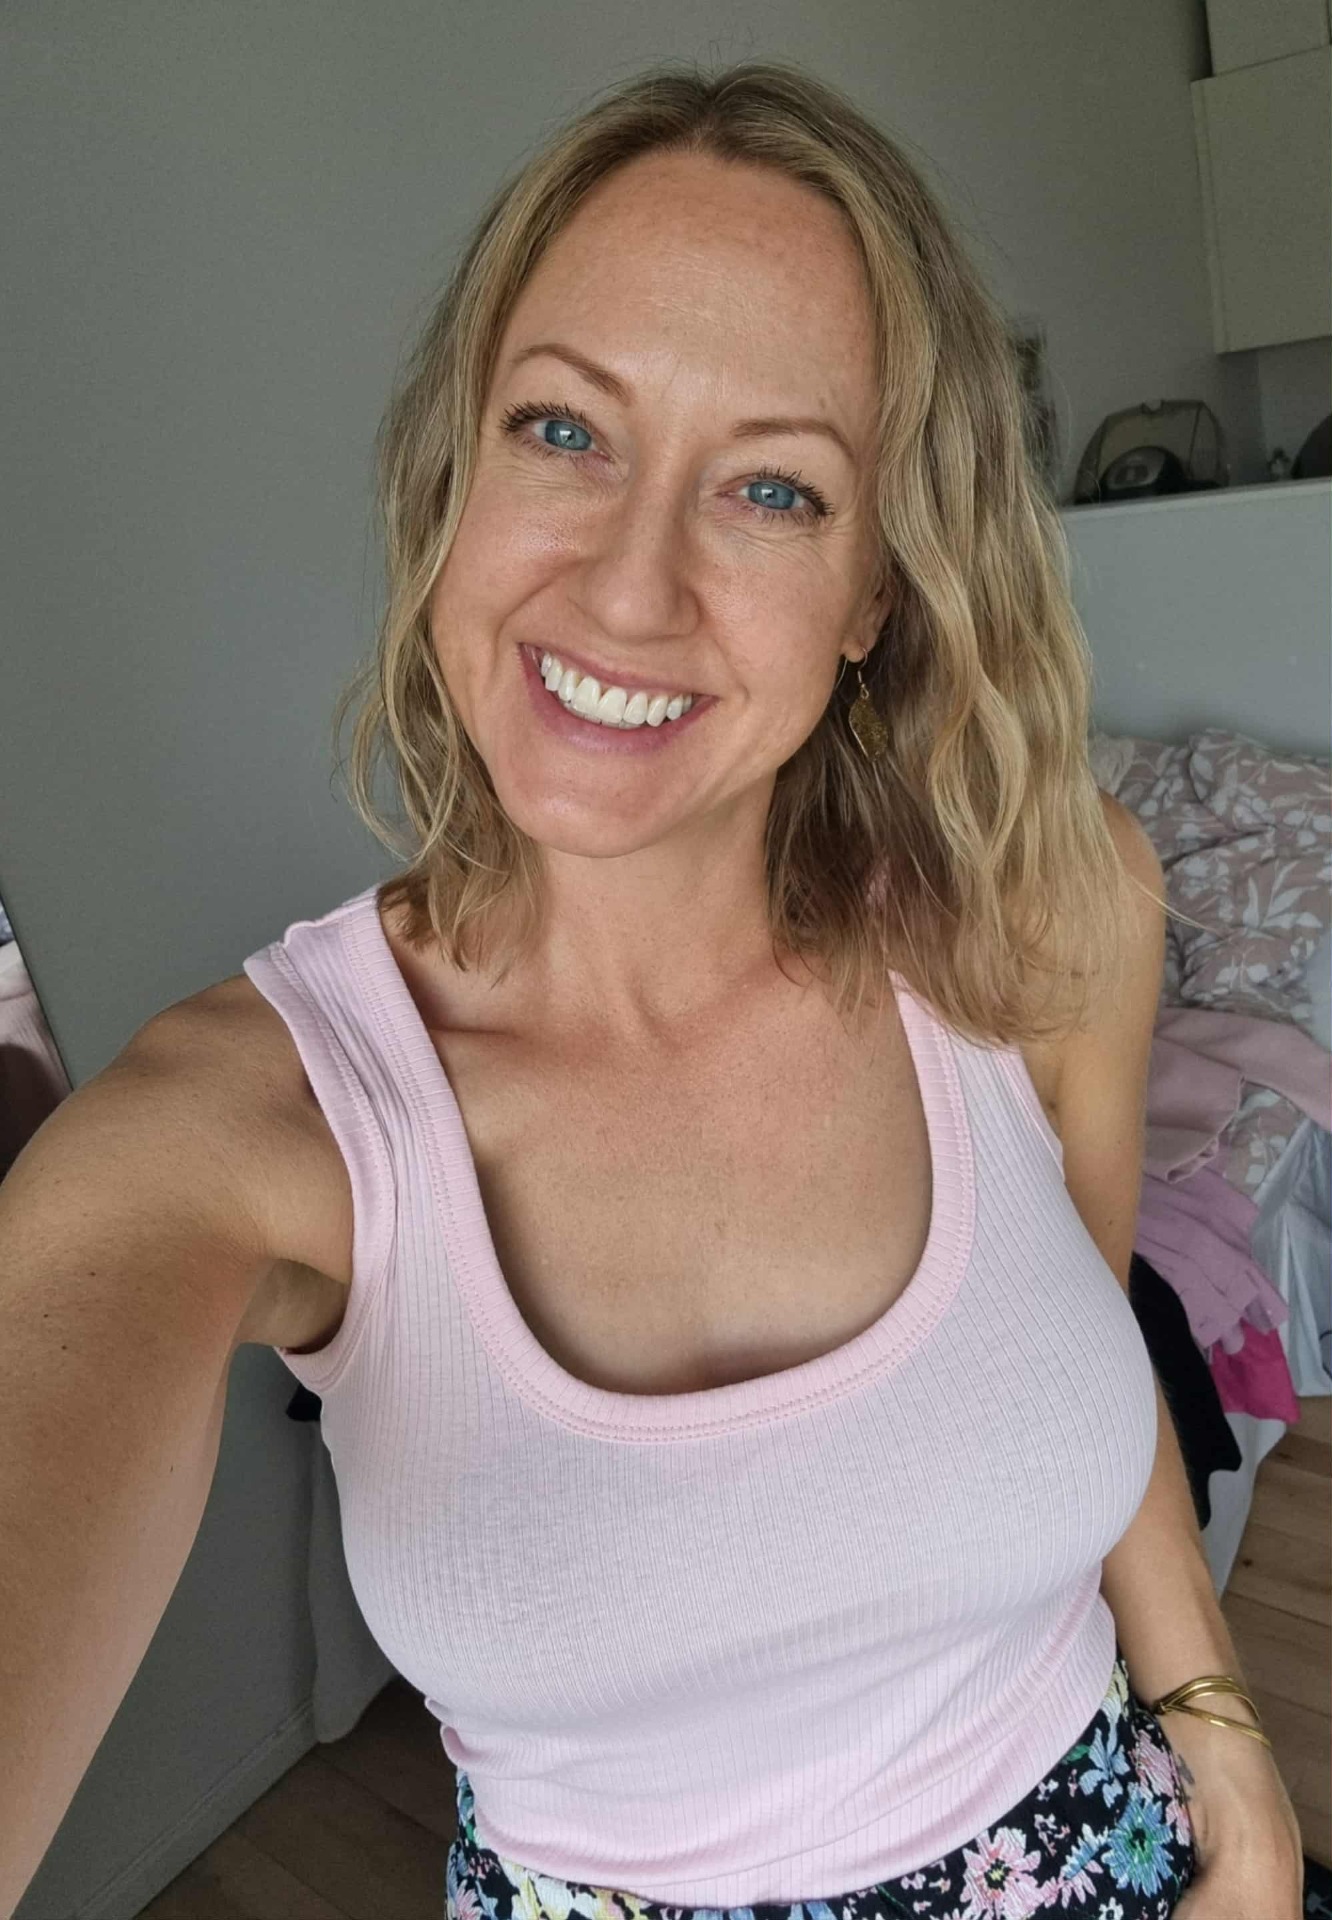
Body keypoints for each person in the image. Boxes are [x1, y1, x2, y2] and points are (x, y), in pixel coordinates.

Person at [0, 59, 1305, 1920]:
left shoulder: (1047, 913)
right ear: (454, 475)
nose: (628, 590)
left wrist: (1228, 1753)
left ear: (876, 593)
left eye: (773, 487)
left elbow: (1088, 1366)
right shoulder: (255, 1128)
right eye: (564, 431)